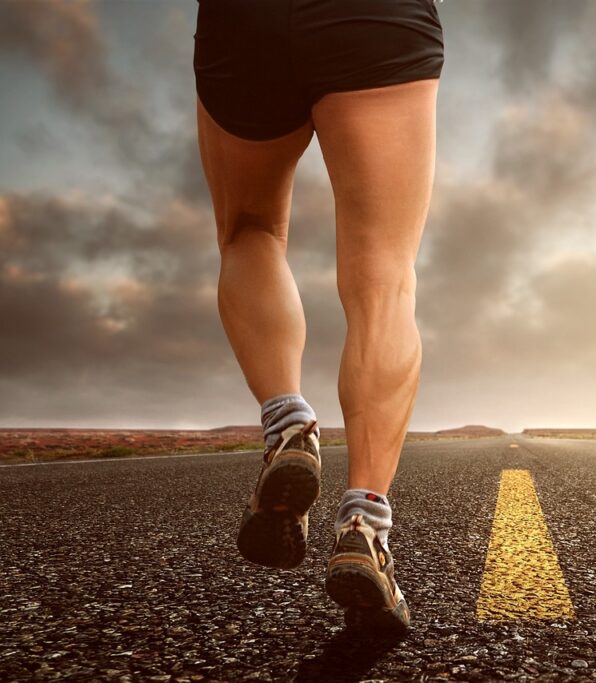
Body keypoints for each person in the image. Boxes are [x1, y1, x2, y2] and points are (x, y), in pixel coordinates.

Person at [192, 0, 444, 634]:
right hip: (377, 21)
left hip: (242, 22)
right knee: (385, 281)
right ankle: (364, 524)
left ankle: (288, 421)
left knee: (250, 231)